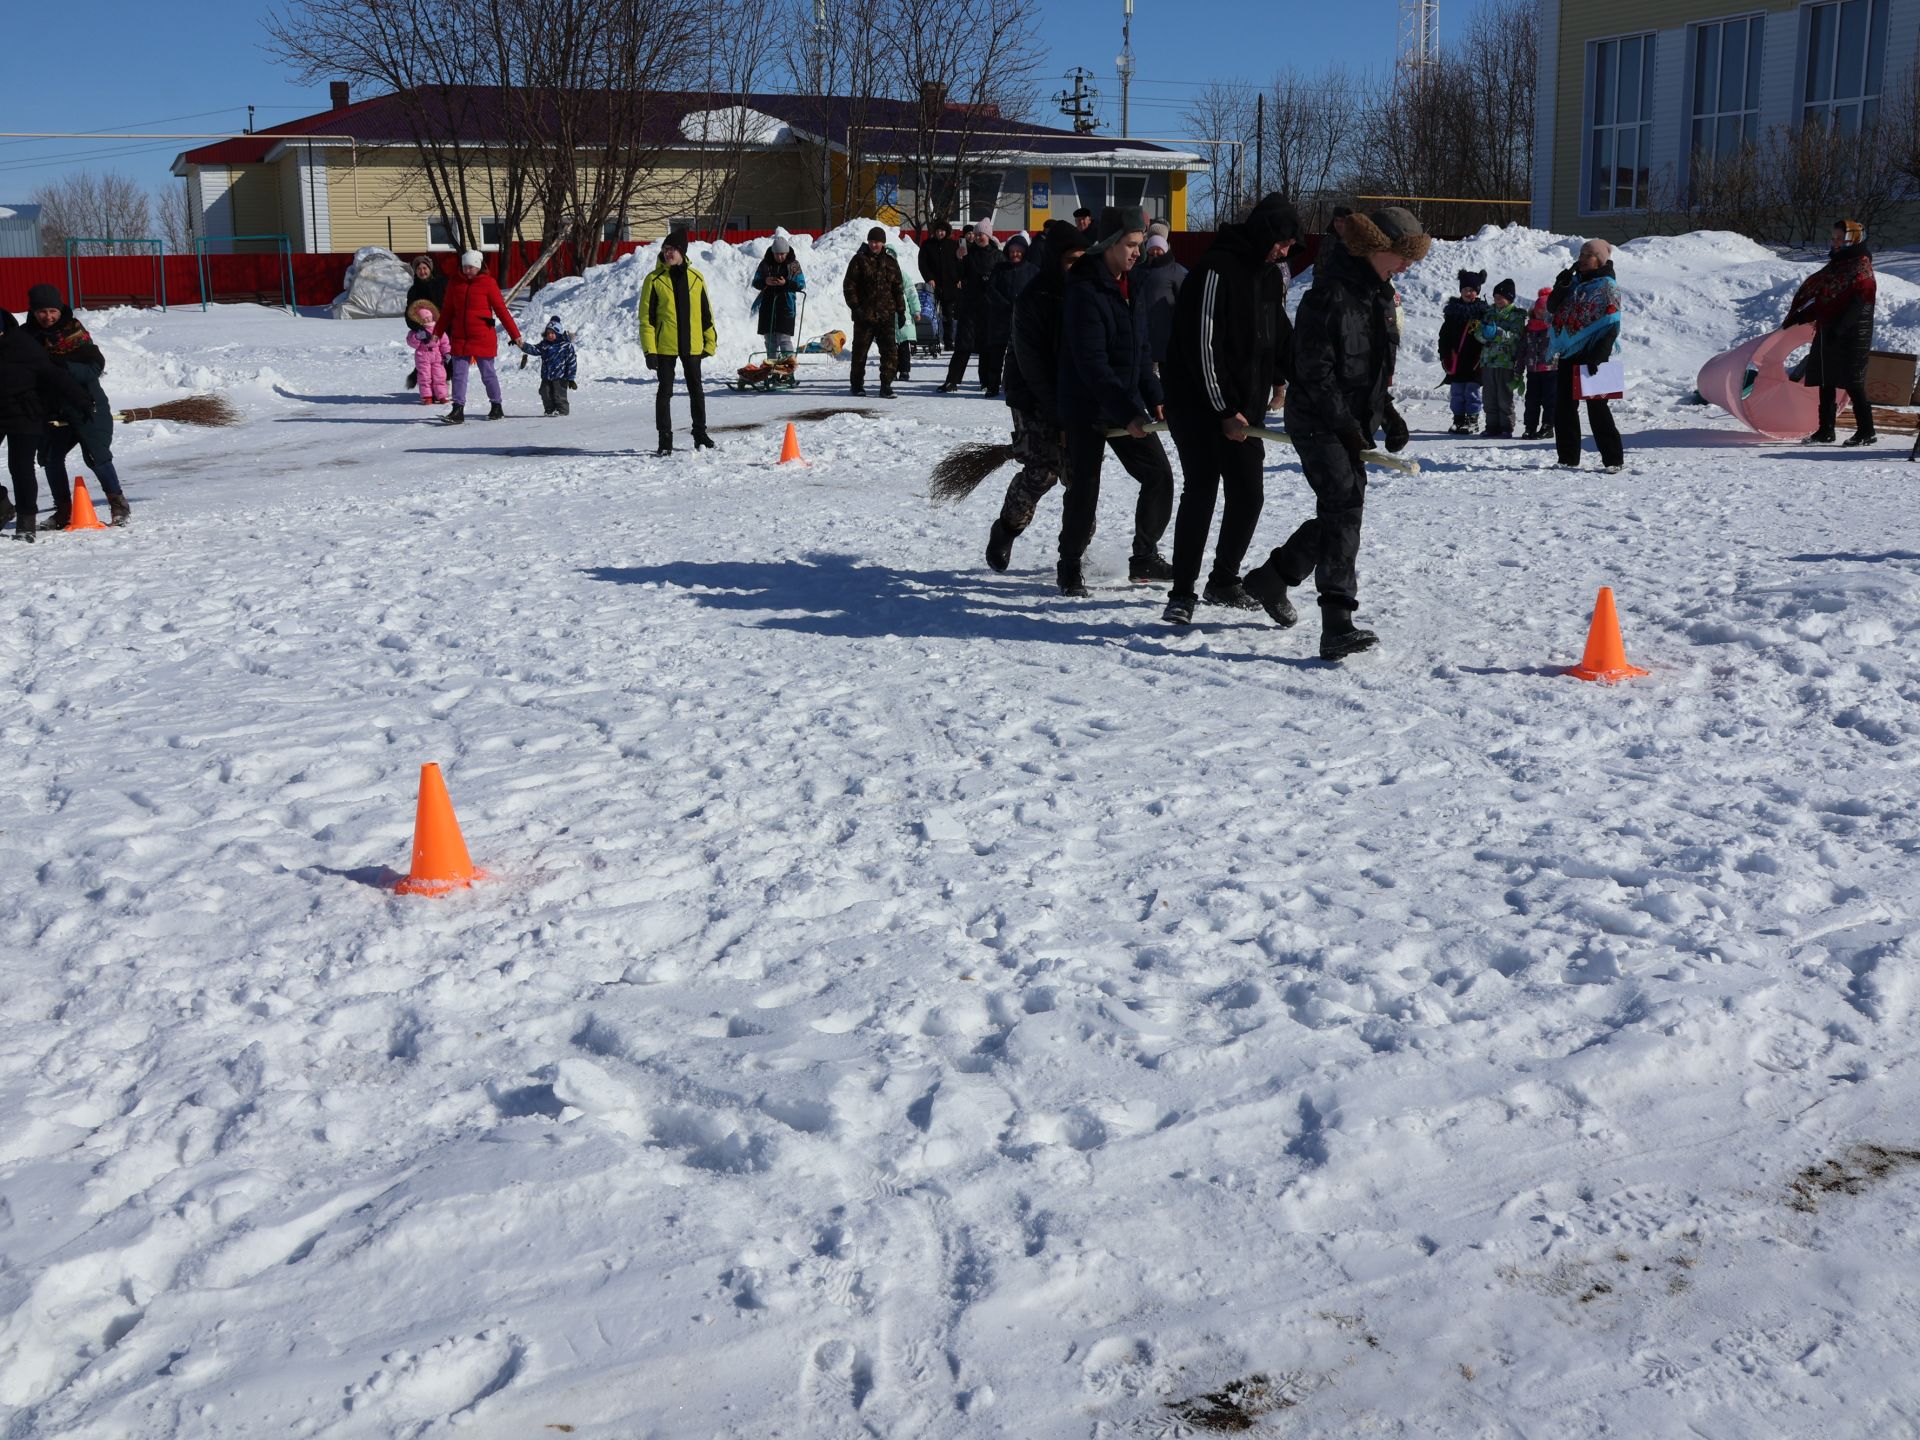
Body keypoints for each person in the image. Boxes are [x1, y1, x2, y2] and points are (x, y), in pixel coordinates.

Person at [1240, 206, 1429, 662]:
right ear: (1373, 246)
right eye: (1400, 255)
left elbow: (1371, 369)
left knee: (1341, 513)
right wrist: (1343, 423)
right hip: (1316, 419)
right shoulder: (1327, 294)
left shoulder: (1381, 296)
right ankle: (1337, 623)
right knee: (1344, 509)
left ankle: (1275, 577)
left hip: (1352, 421)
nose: (1406, 266)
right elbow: (1313, 371)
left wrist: (1387, 414)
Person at [1160, 194, 1299, 625]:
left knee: (1248, 494)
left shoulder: (1270, 277)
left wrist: (1293, 374)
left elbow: (1276, 335)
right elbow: (1202, 347)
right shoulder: (1216, 270)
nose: (1285, 251)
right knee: (1201, 491)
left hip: (1243, 410)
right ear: (1264, 233)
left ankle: (1223, 580)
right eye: (1282, 242)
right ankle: (1182, 593)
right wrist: (1223, 409)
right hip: (1198, 406)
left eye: (1291, 246)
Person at [1054, 205, 1177, 597]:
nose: (1137, 252)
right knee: (1085, 487)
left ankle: (1144, 556)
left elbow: (1139, 351)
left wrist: (1155, 396)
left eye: (1139, 244)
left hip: (1124, 403)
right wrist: (1128, 412)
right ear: (1108, 245)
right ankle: (1069, 565)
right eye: (1130, 244)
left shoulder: (1133, 284)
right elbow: (1092, 365)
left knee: (1159, 475)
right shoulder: (1084, 290)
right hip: (1088, 406)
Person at [988, 219, 1087, 572]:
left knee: (1081, 477)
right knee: (1042, 473)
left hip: (1075, 399)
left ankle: (1074, 552)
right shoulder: (1034, 297)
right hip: (1032, 395)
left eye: (1082, 258)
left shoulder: (1087, 291)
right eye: (1071, 260)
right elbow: (1032, 366)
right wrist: (1057, 409)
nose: (1078, 266)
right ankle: (1007, 529)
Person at [22, 283, 133, 528]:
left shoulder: (74, 332)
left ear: (60, 309)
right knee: (50, 457)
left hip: (86, 404)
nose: (48, 317)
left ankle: (118, 504)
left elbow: (95, 366)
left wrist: (64, 368)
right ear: (33, 311)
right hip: (52, 408)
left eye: (52, 310)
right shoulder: (26, 337)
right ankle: (63, 511)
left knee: (97, 455)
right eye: (42, 311)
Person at [0, 308, 91, 542]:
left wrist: (81, 400)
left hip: (25, 412)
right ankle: (2, 505)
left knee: (20, 467)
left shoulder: (22, 344)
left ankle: (26, 523)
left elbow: (53, 374)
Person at [1786, 219, 1878, 447]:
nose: (1835, 242)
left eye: (1840, 238)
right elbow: (1826, 301)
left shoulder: (1861, 266)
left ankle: (1867, 432)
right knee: (1825, 379)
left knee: (1853, 383)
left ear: (1853, 239)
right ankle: (1825, 431)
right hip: (1829, 329)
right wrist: (1801, 316)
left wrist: (1840, 328)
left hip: (1852, 332)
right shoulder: (1836, 266)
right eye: (1834, 237)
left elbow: (1860, 303)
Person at [1547, 238, 1624, 471]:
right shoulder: (1575, 284)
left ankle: (1613, 460)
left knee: (1598, 409)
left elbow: (1611, 326)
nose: (1581, 260)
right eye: (1580, 255)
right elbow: (1552, 308)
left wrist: (1598, 357)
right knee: (1564, 408)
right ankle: (1567, 458)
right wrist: (1560, 286)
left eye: (1586, 255)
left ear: (1598, 259)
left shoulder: (1607, 287)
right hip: (1569, 352)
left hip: (1594, 355)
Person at [639, 230, 717, 454]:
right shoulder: (653, 280)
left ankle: (700, 434)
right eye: (665, 249)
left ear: (682, 252)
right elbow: (646, 318)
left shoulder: (696, 278)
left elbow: (706, 314)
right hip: (664, 347)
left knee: (697, 391)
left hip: (692, 345)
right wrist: (649, 350)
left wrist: (709, 342)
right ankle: (665, 440)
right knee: (665, 392)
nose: (668, 253)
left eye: (672, 249)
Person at [433, 249, 521, 424]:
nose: (467, 270)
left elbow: (501, 311)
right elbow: (447, 311)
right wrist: (437, 331)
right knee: (458, 375)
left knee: (488, 374)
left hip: (482, 336)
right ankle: (457, 409)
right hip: (460, 336)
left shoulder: (488, 283)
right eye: (465, 267)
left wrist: (515, 334)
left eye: (471, 267)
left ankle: (496, 405)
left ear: (478, 267)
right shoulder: (454, 283)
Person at [842, 226, 906, 399]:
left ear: (883, 243)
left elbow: (898, 289)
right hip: (864, 315)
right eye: (871, 241)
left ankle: (886, 385)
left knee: (890, 353)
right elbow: (849, 286)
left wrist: (901, 311)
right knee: (860, 353)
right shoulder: (859, 260)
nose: (873, 244)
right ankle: (857, 385)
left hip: (886, 316)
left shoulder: (891, 262)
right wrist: (856, 308)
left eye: (876, 242)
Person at [940, 219, 1001, 393]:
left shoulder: (997, 256)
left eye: (982, 234)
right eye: (977, 234)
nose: (979, 237)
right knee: (962, 346)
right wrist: (958, 259)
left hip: (989, 308)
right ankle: (952, 381)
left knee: (987, 347)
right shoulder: (969, 254)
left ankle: (987, 382)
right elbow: (957, 275)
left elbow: (1003, 278)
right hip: (970, 306)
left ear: (988, 235)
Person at [981, 233, 1034, 396]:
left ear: (1024, 251)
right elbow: (991, 290)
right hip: (1000, 319)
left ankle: (1019, 385)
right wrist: (1004, 304)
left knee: (1021, 356)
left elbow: (1036, 293)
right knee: (996, 354)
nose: (1015, 254)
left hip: (1023, 320)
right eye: (1012, 251)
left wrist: (1023, 306)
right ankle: (992, 386)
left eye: (1018, 251)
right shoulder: (1000, 268)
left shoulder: (1032, 270)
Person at [1439, 269, 1487, 434]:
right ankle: (1458, 419)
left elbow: (1487, 336)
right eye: (1466, 289)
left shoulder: (1483, 312)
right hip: (1456, 359)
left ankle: (1472, 420)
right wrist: (1444, 355)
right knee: (1457, 391)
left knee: (1471, 391)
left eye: (1472, 290)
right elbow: (1444, 335)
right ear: (1460, 290)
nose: (1469, 292)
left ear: (1477, 292)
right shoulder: (1453, 312)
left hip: (1475, 360)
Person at [1133, 233, 1188, 374]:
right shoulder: (1139, 269)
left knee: (1165, 363)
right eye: (1152, 249)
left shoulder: (1175, 270)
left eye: (1159, 249)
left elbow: (1183, 297)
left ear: (1165, 249)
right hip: (1143, 323)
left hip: (1166, 324)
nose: (1155, 252)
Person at [1477, 278, 1525, 439]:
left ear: (1509, 298)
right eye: (1495, 297)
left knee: (1504, 396)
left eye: (1500, 297)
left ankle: (1506, 426)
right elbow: (1479, 334)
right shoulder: (1489, 313)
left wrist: (1497, 333)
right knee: (1489, 396)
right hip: (1488, 361)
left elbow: (1516, 336)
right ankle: (1492, 426)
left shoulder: (1516, 315)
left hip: (1505, 362)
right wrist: (1484, 335)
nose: (1497, 300)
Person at [750, 235, 806, 360]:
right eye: (776, 254)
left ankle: (788, 369)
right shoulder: (765, 264)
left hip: (786, 307)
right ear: (772, 252)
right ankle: (772, 369)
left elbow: (801, 284)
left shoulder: (794, 265)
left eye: (782, 254)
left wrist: (785, 283)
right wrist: (766, 281)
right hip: (767, 306)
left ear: (786, 253)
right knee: (770, 341)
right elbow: (755, 282)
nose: (779, 257)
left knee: (784, 339)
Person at [518, 315, 577, 417]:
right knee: (544, 392)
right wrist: (523, 345)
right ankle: (549, 410)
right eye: (548, 333)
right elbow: (534, 350)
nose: (550, 335)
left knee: (559, 395)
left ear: (558, 333)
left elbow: (572, 362)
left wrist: (571, 378)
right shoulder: (544, 345)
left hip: (560, 377)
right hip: (546, 376)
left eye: (552, 333)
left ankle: (563, 411)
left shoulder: (566, 346)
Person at [404, 255, 447, 388]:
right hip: (425, 329)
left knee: (444, 356)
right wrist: (418, 328)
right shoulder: (414, 290)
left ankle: (444, 383)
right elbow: (409, 313)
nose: (422, 271)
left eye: (425, 268)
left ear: (430, 269)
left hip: (444, 326)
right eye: (419, 269)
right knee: (427, 360)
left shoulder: (442, 283)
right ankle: (428, 387)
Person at [918, 220, 960, 352]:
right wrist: (929, 278)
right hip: (933, 284)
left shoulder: (953, 245)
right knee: (931, 313)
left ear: (946, 232)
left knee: (947, 314)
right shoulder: (927, 245)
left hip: (949, 285)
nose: (940, 233)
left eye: (942, 231)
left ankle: (948, 342)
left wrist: (958, 278)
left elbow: (959, 263)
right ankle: (932, 340)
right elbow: (922, 264)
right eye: (938, 231)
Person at [1520, 287, 1557, 439]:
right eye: (1538, 309)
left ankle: (1548, 426)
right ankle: (1530, 427)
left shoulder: (1554, 328)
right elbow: (1522, 349)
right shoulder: (1528, 328)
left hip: (1551, 369)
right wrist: (1518, 369)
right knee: (1531, 400)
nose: (1541, 313)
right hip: (1533, 370)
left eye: (1544, 310)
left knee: (1550, 400)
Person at [405, 299, 452, 406]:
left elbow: (444, 343)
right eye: (424, 318)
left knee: (440, 376)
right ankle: (426, 396)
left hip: (437, 356)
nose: (427, 319)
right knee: (424, 377)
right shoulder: (418, 331)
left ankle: (441, 395)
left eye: (429, 317)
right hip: (423, 356)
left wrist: (447, 353)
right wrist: (417, 337)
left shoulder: (438, 328)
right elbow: (412, 343)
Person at [888, 243, 921, 382]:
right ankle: (892, 371)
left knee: (903, 348)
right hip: (888, 316)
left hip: (903, 316)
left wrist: (916, 310)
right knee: (890, 349)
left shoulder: (903, 276)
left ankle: (905, 371)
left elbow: (912, 294)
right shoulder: (881, 275)